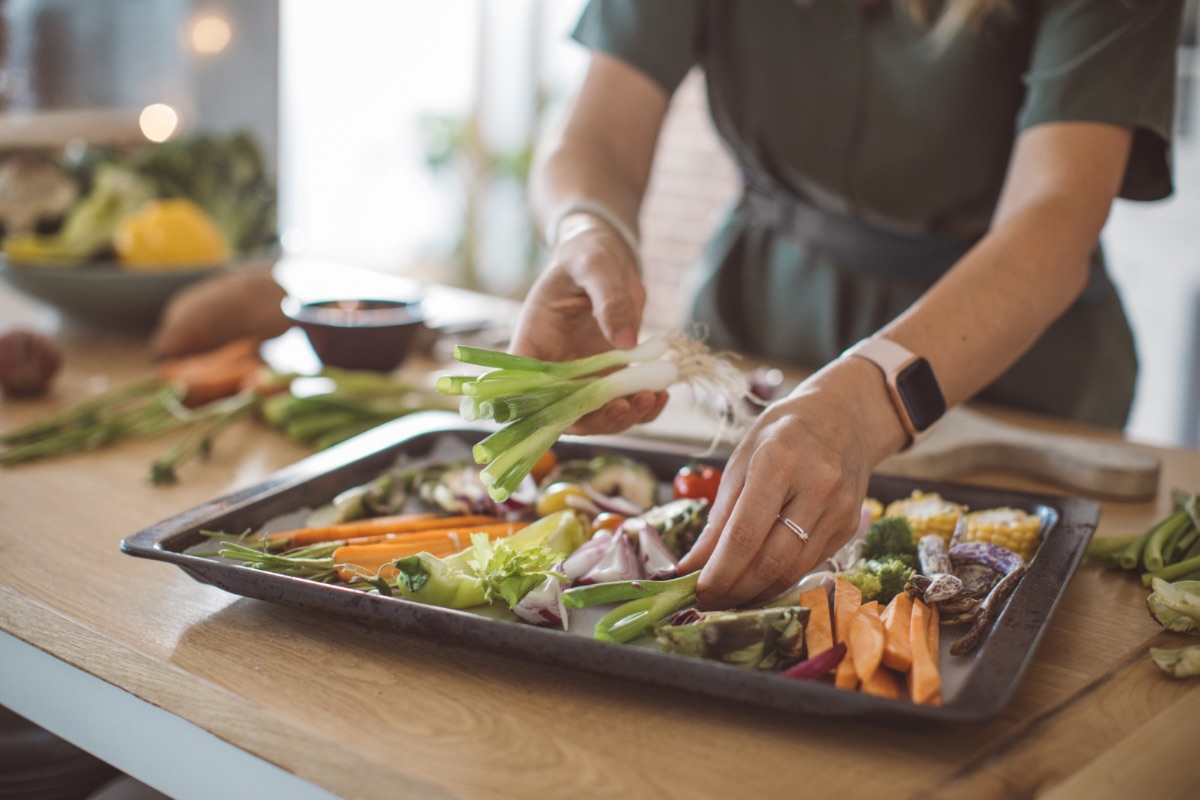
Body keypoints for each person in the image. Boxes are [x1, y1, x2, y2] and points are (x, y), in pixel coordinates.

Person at [508, 0, 1185, 610]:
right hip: (764, 312)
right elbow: (596, 131)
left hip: (1012, 356)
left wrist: (868, 402)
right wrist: (587, 230)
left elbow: (1055, 215)